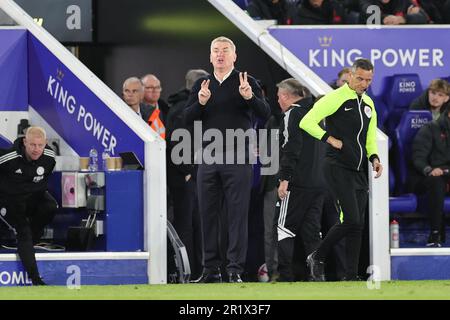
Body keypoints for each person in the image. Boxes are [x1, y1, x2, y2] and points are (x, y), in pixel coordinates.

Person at [184, 36, 270, 283]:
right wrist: (200, 102)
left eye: (225, 50)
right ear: (210, 57)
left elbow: (266, 113)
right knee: (207, 215)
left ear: (234, 56)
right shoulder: (202, 83)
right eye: (215, 51)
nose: (220, 54)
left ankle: (234, 270)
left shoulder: (246, 81)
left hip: (238, 158)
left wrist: (249, 97)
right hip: (208, 158)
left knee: (237, 216)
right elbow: (187, 119)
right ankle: (210, 269)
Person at [300, 58, 383, 281]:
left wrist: (374, 158)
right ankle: (317, 255)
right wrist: (329, 139)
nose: (363, 84)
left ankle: (351, 275)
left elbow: (369, 139)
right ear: (350, 76)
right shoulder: (335, 98)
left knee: (357, 225)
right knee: (352, 220)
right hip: (336, 166)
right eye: (360, 78)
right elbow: (307, 122)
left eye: (368, 80)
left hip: (358, 170)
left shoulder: (369, 104)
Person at [276, 78, 325, 282]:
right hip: (320, 183)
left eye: (279, 97)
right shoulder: (318, 113)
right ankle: (317, 275)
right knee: (312, 231)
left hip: (297, 182)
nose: (278, 101)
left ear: (287, 96)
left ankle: (285, 275)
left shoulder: (292, 113)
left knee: (283, 228)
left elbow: (291, 148)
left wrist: (284, 179)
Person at [166, 69, 209, 279]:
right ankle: (190, 272)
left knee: (197, 225)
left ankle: (199, 272)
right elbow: (176, 141)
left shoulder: (183, 106)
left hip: (193, 173)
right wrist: (189, 170)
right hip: (187, 176)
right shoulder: (183, 108)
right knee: (187, 226)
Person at [0, 126, 57, 285]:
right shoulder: (8, 158)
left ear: (45, 143)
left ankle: (29, 241)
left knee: (51, 206)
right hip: (11, 200)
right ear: (25, 142)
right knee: (23, 230)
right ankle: (36, 279)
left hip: (33, 197)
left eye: (40, 145)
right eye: (32, 145)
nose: (36, 149)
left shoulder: (49, 158)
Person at [411, 106, 450, 247]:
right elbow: (418, 157)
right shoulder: (430, 128)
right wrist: (429, 169)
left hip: (447, 174)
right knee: (436, 181)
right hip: (427, 177)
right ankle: (435, 234)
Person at [359, 0, 428, 24]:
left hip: (398, 40)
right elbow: (368, 14)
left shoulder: (403, 1)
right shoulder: (367, 1)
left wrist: (403, 19)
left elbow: (423, 17)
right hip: (371, 39)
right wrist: (385, 18)